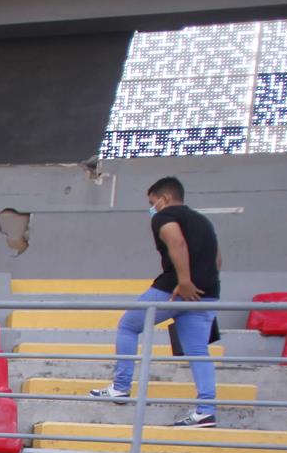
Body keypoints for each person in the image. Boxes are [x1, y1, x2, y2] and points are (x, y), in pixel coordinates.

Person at [89, 176, 223, 428]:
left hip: (175, 289)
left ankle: (120, 387)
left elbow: (176, 241)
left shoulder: (164, 216)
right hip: (207, 293)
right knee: (198, 351)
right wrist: (204, 284)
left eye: (153, 202)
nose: (152, 207)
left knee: (128, 326)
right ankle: (206, 410)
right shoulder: (203, 221)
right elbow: (217, 259)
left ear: (165, 198)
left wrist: (184, 281)